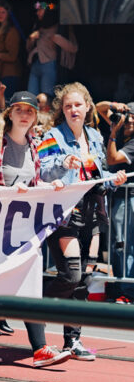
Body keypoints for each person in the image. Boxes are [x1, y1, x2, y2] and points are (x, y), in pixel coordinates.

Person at [0, 91, 72, 368]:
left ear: (35, 117)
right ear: (9, 114)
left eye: (30, 111)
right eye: (19, 110)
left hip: (24, 232)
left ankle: (40, 348)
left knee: (30, 283)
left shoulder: (34, 146)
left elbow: (35, 185)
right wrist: (8, 191)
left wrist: (52, 188)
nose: (25, 115)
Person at [39, 83, 127, 360]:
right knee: (71, 274)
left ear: (87, 106)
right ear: (61, 110)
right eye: (67, 106)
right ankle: (28, 307)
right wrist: (64, 162)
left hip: (93, 212)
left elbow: (99, 178)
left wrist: (114, 180)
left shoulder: (95, 136)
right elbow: (43, 169)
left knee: (83, 281)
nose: (73, 110)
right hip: (64, 212)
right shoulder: (53, 135)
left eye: (77, 105)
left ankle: (72, 341)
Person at [104, 102, 134, 302]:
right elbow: (98, 107)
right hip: (117, 196)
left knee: (125, 244)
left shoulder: (131, 142)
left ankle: (127, 291)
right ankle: (120, 286)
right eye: (128, 116)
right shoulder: (122, 132)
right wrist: (114, 107)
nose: (130, 120)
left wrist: (113, 133)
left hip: (128, 198)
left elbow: (112, 159)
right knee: (118, 244)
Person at [27, 2, 77, 97]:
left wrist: (58, 39)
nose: (37, 13)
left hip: (49, 65)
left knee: (46, 98)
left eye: (40, 10)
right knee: (31, 97)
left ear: (48, 11)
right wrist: (30, 39)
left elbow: (73, 48)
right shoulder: (37, 26)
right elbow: (28, 48)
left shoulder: (60, 27)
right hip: (34, 65)